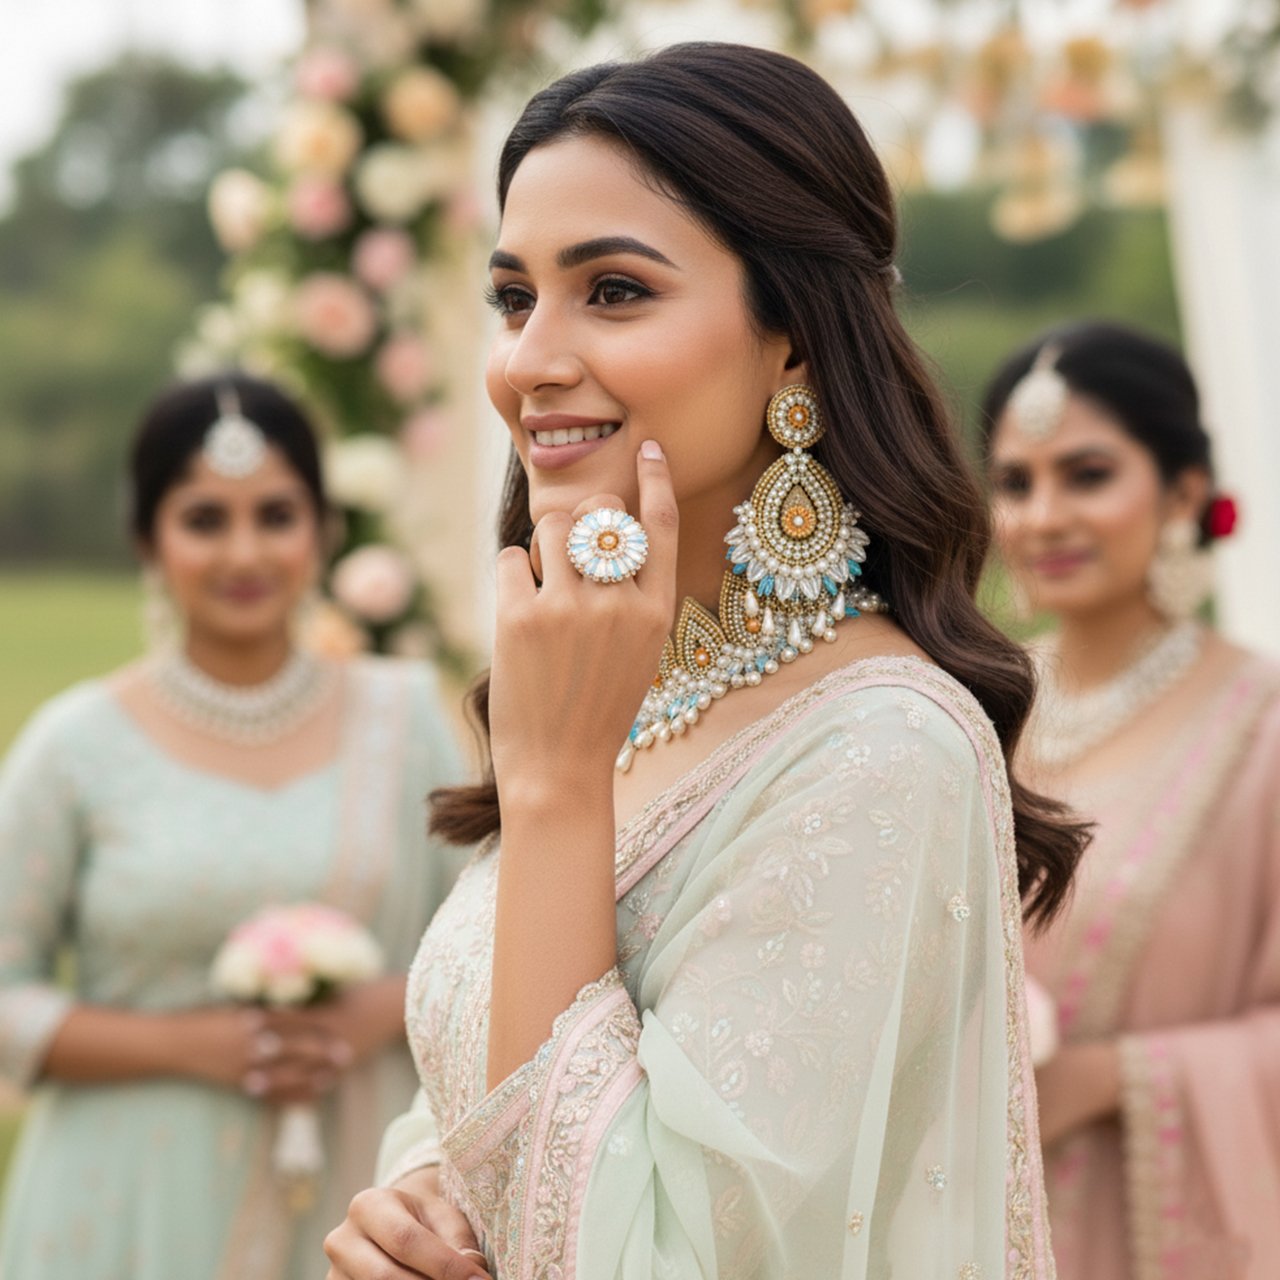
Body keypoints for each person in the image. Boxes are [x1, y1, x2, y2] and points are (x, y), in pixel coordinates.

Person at [323, 43, 1086, 1280]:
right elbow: (490, 1100)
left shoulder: (881, 749)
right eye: (514, 297)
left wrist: (559, 785)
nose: (528, 360)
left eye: (613, 291)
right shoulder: (625, 691)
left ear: (791, 342)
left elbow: (646, 1252)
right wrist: (412, 1198)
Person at [0, 374, 464, 1280]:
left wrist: (383, 1010)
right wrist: (193, 1045)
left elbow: (486, 951)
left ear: (324, 531)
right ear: (147, 539)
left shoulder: (403, 721)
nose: (244, 551)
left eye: (277, 515)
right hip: (122, 1205)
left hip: (360, 1198)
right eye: (205, 519)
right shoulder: (77, 745)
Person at [983, 321, 1280, 1280]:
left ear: (1184, 492)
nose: (1043, 517)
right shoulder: (967, 715)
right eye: (1017, 483)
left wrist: (1111, 1080)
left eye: (1088, 475)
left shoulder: (1262, 729)